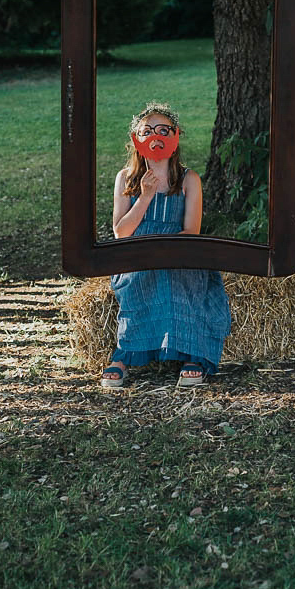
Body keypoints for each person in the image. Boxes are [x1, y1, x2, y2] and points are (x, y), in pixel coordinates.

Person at [99, 102, 231, 389]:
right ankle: (123, 355)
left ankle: (191, 356)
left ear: (176, 136)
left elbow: (191, 231)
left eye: (163, 130)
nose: (155, 136)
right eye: (147, 131)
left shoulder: (189, 179)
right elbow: (121, 233)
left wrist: (166, 254)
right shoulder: (125, 178)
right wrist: (144, 196)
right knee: (138, 282)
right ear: (137, 139)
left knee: (179, 279)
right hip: (135, 252)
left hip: (179, 250)